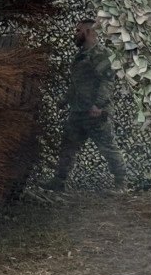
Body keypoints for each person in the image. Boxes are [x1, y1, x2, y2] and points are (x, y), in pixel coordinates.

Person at [48, 19, 128, 191]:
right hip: (78, 111)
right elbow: (76, 84)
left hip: (95, 112)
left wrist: (98, 105)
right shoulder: (80, 56)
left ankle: (121, 183)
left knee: (108, 147)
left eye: (78, 31)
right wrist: (64, 101)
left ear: (89, 32)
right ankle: (59, 181)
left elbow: (106, 83)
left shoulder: (102, 55)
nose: (75, 34)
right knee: (68, 146)